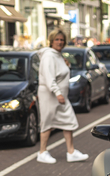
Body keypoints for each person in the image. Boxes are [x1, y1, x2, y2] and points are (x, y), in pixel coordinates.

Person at [37, 29, 88, 164]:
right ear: (51, 41)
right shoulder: (49, 56)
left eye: (61, 40)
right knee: (47, 122)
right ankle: (42, 152)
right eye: (57, 40)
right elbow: (49, 78)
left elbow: (60, 72)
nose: (59, 42)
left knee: (69, 121)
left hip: (59, 95)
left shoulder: (58, 55)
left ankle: (71, 152)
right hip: (50, 95)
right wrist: (57, 93)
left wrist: (67, 65)